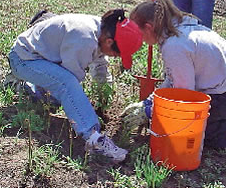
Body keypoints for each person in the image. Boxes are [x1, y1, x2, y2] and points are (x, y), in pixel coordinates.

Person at [8, 9, 143, 162]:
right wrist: (86, 114)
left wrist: (103, 97)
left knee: (54, 97)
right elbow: (69, 82)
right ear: (109, 42)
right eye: (117, 54)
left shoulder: (102, 31)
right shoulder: (84, 38)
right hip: (23, 60)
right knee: (67, 83)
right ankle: (94, 140)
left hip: (41, 58)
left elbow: (100, 67)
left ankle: (27, 88)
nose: (115, 57)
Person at [122, 0, 226, 151]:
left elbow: (184, 96)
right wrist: (148, 102)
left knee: (189, 131)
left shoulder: (174, 46)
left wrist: (150, 112)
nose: (140, 39)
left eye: (138, 33)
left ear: (148, 27)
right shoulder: (179, 31)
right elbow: (172, 80)